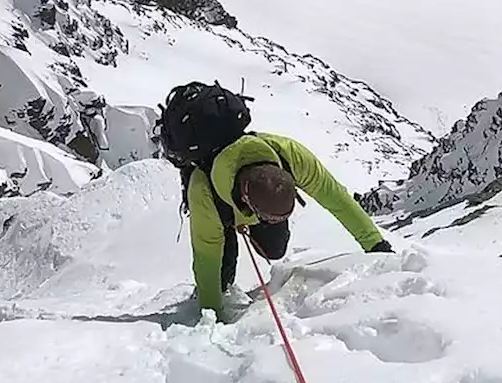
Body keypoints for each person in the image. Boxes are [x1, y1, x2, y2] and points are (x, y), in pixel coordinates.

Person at [157, 81, 392, 323]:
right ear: (249, 202)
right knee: (219, 273)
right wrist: (211, 313)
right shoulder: (203, 192)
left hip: (236, 194)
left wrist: (375, 244)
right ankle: (225, 266)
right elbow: (206, 254)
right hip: (220, 201)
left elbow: (337, 198)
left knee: (275, 249)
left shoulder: (291, 156)